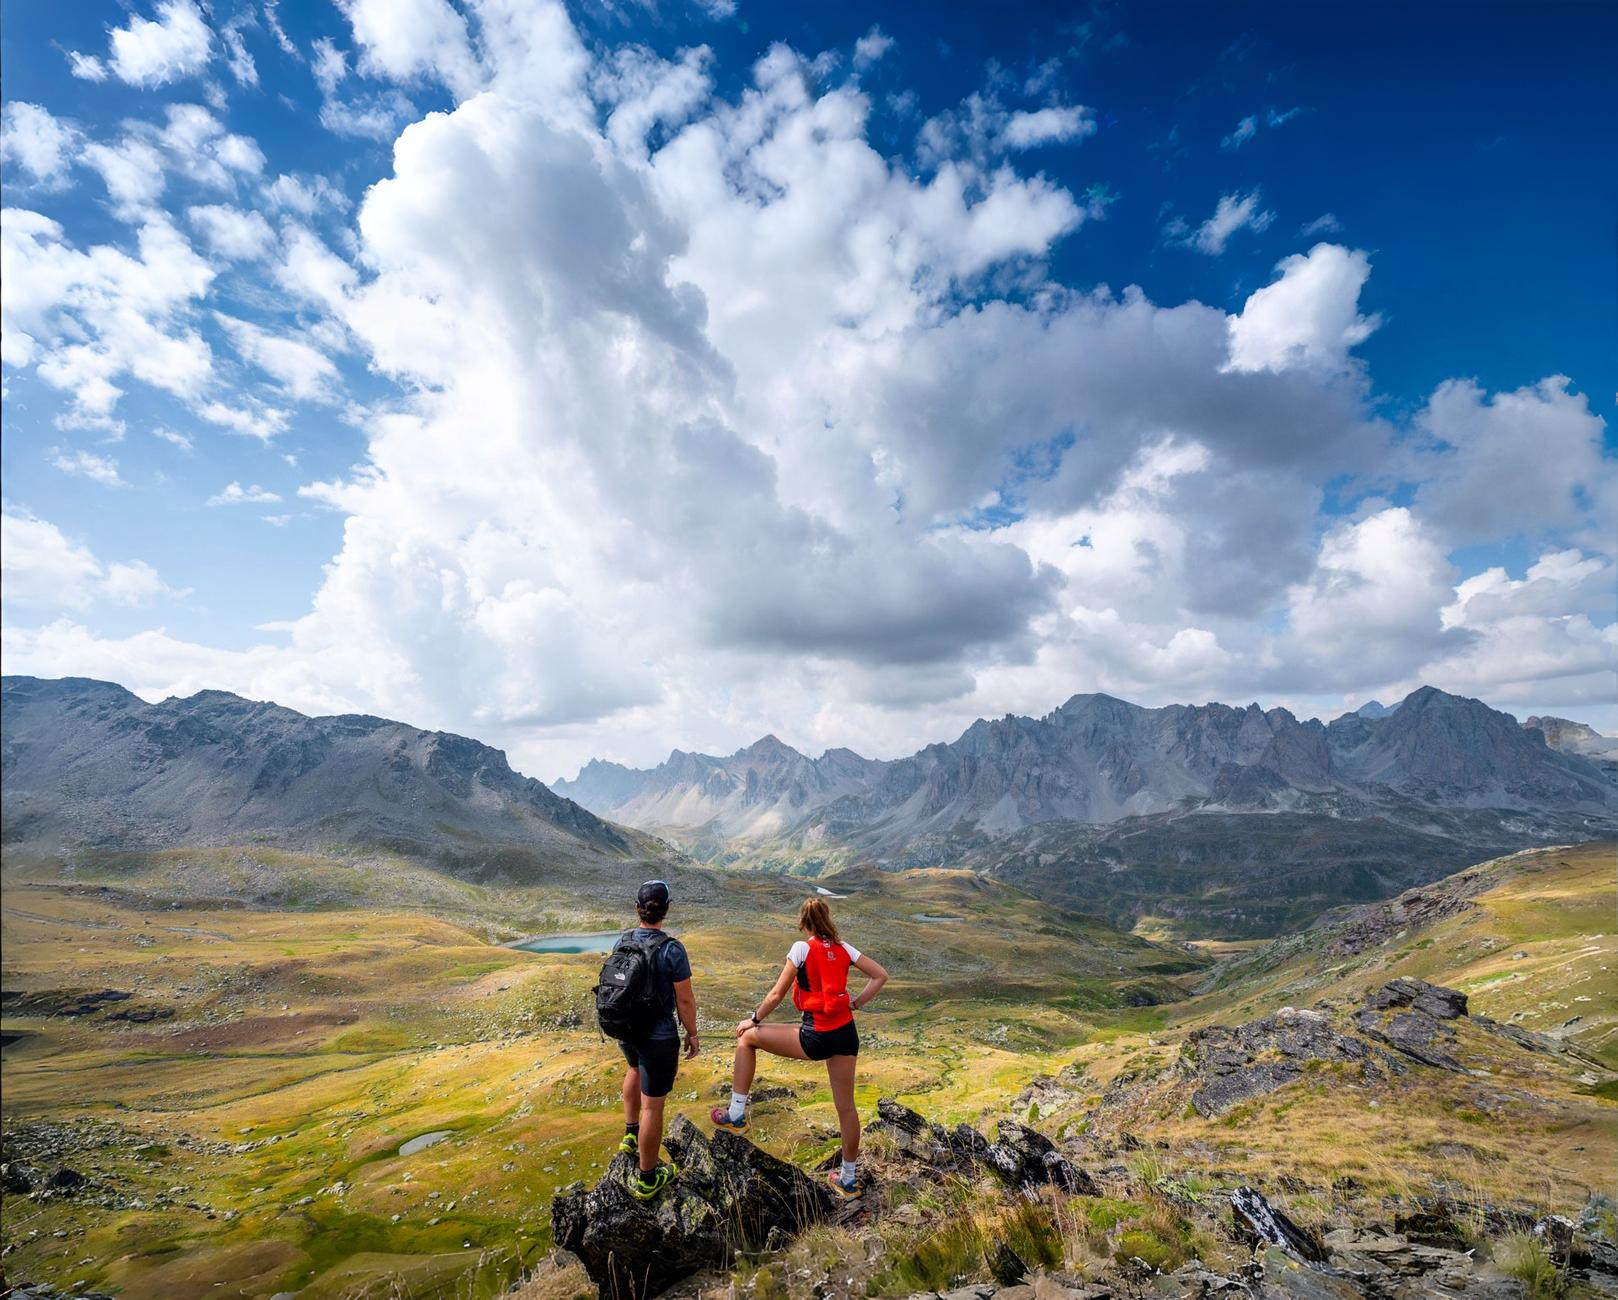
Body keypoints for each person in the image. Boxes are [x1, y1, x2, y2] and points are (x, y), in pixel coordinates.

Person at [711, 897, 888, 1199]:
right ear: (827, 919)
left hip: (816, 1036)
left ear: (804, 922)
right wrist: (855, 1003)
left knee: (748, 1038)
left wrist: (752, 1019)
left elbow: (777, 993)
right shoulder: (844, 948)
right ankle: (848, 1179)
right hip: (846, 1034)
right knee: (846, 1107)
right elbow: (880, 975)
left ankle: (736, 1114)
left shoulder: (801, 948)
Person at [608, 880, 699, 1199]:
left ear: (638, 909)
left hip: (626, 1029)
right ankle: (647, 1178)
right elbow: (685, 1000)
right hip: (657, 1037)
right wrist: (692, 1032)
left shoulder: (623, 940)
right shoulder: (672, 949)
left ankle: (630, 1135)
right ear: (666, 909)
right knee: (654, 1107)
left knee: (633, 1069)